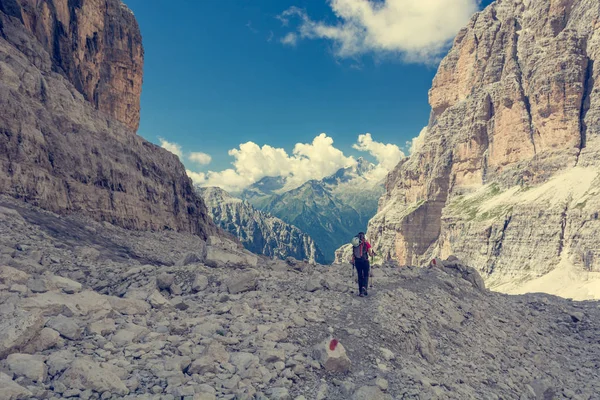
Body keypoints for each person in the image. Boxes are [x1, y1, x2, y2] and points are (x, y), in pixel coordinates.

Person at [352, 232, 374, 297]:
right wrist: (372, 255)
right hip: (365, 261)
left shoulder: (355, 245)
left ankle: (360, 292)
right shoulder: (366, 244)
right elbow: (370, 254)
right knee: (366, 274)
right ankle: (364, 287)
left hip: (357, 262)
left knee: (360, 275)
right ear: (363, 237)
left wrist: (353, 261)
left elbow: (353, 254)